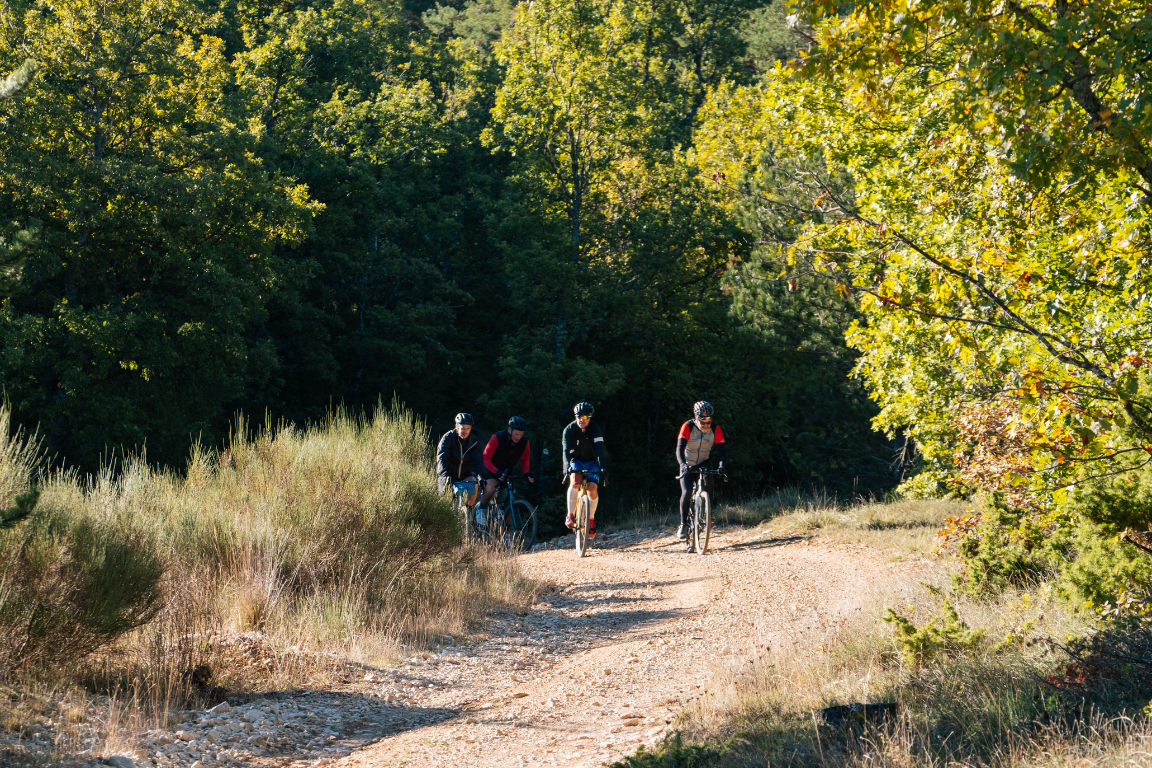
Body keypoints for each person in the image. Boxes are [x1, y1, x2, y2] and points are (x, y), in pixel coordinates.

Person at [676, 401, 727, 540]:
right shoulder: (687, 426)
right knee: (686, 492)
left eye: (709, 422)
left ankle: (708, 511)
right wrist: (683, 464)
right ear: (696, 417)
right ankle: (683, 524)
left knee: (709, 482)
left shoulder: (716, 429)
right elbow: (679, 448)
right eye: (702, 422)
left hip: (704, 461)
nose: (706, 425)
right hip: (688, 462)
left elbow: (722, 451)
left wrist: (722, 466)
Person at [563, 402, 607, 537]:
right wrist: (566, 467)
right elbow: (565, 450)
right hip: (576, 461)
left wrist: (603, 467)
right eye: (579, 416)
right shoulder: (569, 430)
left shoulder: (595, 429)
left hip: (592, 462)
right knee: (575, 482)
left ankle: (591, 520)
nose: (582, 419)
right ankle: (570, 515)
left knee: (592, 489)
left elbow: (600, 451)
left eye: (585, 417)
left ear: (590, 418)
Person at [478, 416, 534, 522]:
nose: (518, 437)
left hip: (506, 470)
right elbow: (485, 457)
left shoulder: (524, 442)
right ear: (509, 430)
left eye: (521, 435)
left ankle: (506, 533)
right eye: (516, 434)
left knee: (510, 502)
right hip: (491, 467)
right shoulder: (498, 437)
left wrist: (526, 473)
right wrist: (496, 471)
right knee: (491, 488)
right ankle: (482, 508)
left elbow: (525, 459)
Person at [436, 413, 483, 506]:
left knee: (475, 485)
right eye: (462, 428)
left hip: (465, 474)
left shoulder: (474, 441)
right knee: (444, 503)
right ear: (456, 426)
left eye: (468, 428)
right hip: (448, 474)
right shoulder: (448, 438)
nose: (465, 431)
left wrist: (481, 476)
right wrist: (444, 476)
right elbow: (442, 458)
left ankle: (468, 512)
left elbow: (478, 461)